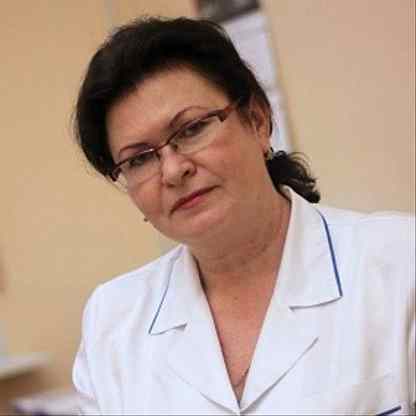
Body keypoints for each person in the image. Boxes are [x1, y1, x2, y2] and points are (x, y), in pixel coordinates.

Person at [72, 16, 415, 415]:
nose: (173, 170)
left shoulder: (399, 265)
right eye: (139, 159)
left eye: (192, 129)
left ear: (257, 120)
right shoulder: (111, 321)